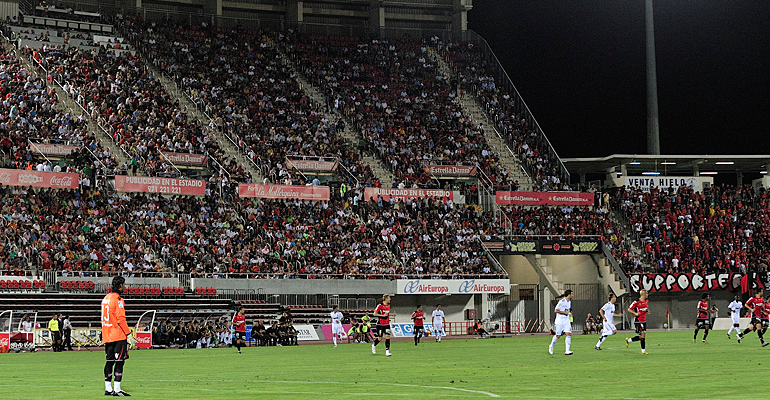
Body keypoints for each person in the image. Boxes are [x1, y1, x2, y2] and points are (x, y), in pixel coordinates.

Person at [101, 276, 132, 396]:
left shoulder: (105, 298)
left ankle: (108, 388)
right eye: (124, 285)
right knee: (120, 361)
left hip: (107, 335)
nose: (125, 287)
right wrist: (128, 334)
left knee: (109, 361)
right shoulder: (118, 299)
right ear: (120, 286)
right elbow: (121, 319)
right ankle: (117, 389)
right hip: (118, 335)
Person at [548, 289, 574, 355]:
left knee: (568, 333)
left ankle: (567, 350)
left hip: (566, 320)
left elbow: (567, 310)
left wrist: (569, 313)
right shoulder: (561, 301)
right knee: (558, 335)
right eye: (571, 294)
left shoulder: (569, 302)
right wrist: (564, 312)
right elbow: (556, 310)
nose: (572, 295)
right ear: (569, 295)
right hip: (560, 320)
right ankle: (551, 345)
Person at [625, 289, 649, 355]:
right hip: (638, 320)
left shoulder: (647, 301)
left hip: (644, 320)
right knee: (643, 334)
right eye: (646, 293)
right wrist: (635, 313)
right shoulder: (636, 302)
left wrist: (647, 310)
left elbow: (644, 309)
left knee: (642, 336)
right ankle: (643, 351)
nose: (647, 294)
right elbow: (629, 309)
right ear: (643, 294)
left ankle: (629, 340)